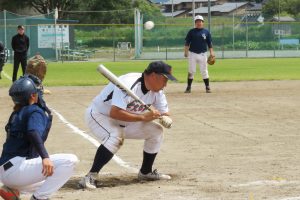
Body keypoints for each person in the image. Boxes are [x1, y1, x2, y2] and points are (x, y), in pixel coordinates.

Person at [79, 61, 177, 189]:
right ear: (154, 75)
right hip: (100, 116)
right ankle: (90, 176)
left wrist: (165, 118)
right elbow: (114, 113)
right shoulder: (128, 83)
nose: (166, 85)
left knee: (156, 131)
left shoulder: (157, 92)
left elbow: (165, 112)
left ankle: (145, 172)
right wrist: (143, 117)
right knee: (115, 136)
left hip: (126, 120)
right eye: (165, 80)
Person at [0, 76, 78, 200]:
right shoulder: (34, 111)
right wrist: (45, 157)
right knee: (69, 161)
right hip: (17, 170)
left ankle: (12, 189)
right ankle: (38, 198)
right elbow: (33, 132)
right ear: (32, 96)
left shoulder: (17, 113)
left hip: (6, 172)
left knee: (49, 182)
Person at [184, 15, 215, 93]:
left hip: (203, 54)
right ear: (195, 23)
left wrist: (211, 52)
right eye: (197, 21)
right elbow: (187, 43)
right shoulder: (191, 32)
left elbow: (209, 43)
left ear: (203, 22)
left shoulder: (206, 32)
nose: (199, 23)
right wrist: (186, 52)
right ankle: (188, 87)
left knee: (204, 71)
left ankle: (207, 87)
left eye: (200, 21)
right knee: (191, 71)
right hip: (192, 54)